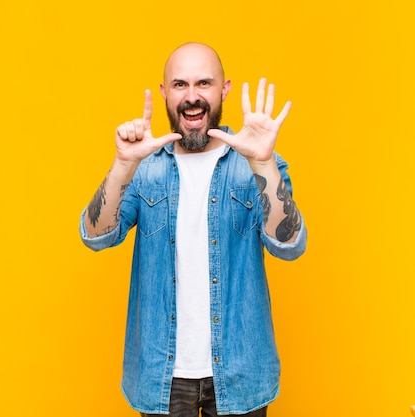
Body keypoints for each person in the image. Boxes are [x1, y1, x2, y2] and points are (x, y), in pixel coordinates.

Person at [79, 42, 307, 417]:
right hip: (160, 377)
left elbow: (289, 244)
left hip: (240, 372)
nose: (192, 96)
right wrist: (122, 165)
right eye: (180, 84)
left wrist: (263, 163)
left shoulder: (253, 163)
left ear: (224, 89)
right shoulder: (145, 167)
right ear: (165, 91)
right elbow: (96, 235)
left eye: (204, 83)